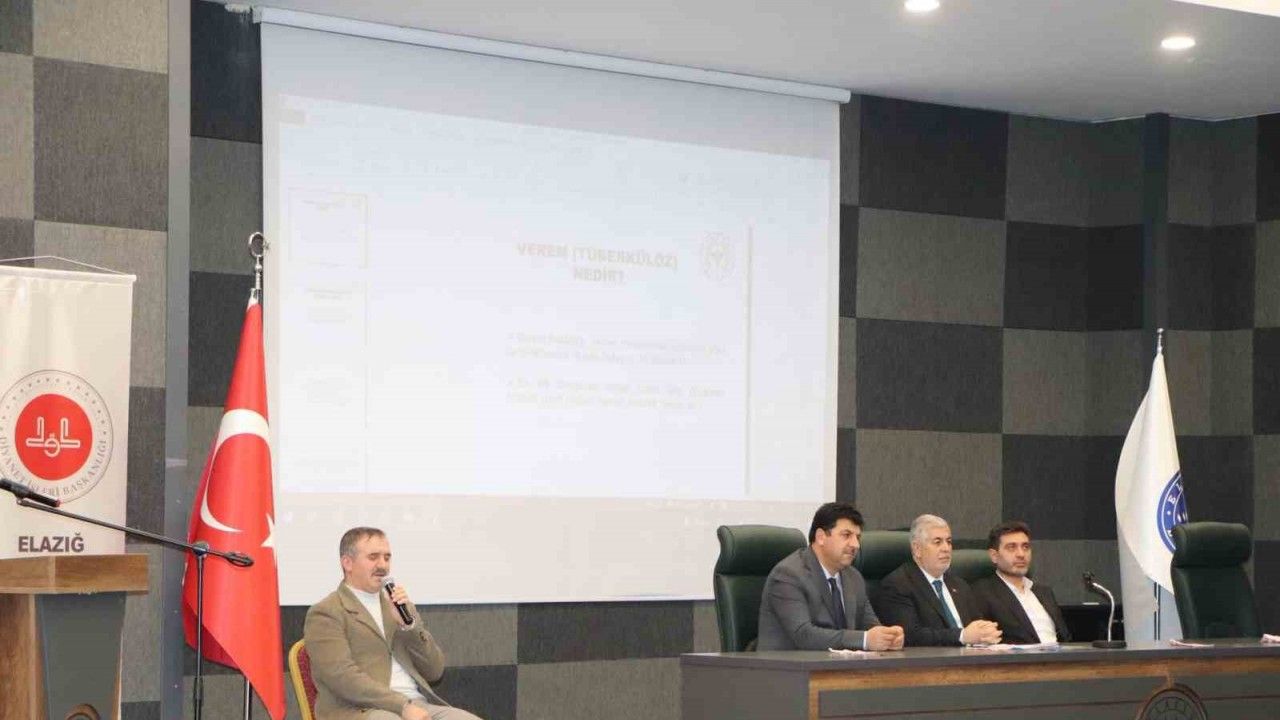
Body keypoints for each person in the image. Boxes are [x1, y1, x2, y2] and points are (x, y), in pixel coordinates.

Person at [304, 527, 483, 720]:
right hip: (358, 710)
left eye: (387, 558)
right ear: (348, 563)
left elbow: (434, 671)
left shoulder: (399, 605)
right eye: (373, 557)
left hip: (416, 705)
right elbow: (343, 678)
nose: (382, 565)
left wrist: (409, 626)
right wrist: (401, 705)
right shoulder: (326, 612)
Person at [757, 502, 905, 651]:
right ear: (821, 537)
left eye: (857, 537)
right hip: (789, 664)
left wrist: (888, 637)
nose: (856, 545)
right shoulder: (788, 575)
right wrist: (865, 640)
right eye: (846, 535)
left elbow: (870, 626)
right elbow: (804, 635)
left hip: (838, 664)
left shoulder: (853, 577)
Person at [873, 514, 1001, 646]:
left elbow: (976, 624)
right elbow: (910, 636)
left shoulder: (959, 585)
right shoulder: (897, 585)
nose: (946, 548)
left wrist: (986, 632)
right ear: (917, 549)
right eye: (937, 542)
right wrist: (962, 636)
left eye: (949, 542)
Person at [970, 520, 1071, 644]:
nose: (1021, 554)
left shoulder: (1044, 592)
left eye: (1025, 547)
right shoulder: (982, 593)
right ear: (994, 556)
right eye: (1012, 547)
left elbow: (1065, 638)